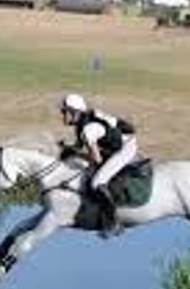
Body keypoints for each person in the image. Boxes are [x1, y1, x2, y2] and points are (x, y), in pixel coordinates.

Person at [59, 93, 137, 237]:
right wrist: (70, 147)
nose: (63, 115)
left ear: (74, 112)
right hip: (115, 143)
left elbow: (96, 159)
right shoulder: (84, 121)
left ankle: (113, 223)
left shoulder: (87, 129)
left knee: (97, 183)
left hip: (125, 148)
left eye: (65, 112)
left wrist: (75, 153)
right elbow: (82, 143)